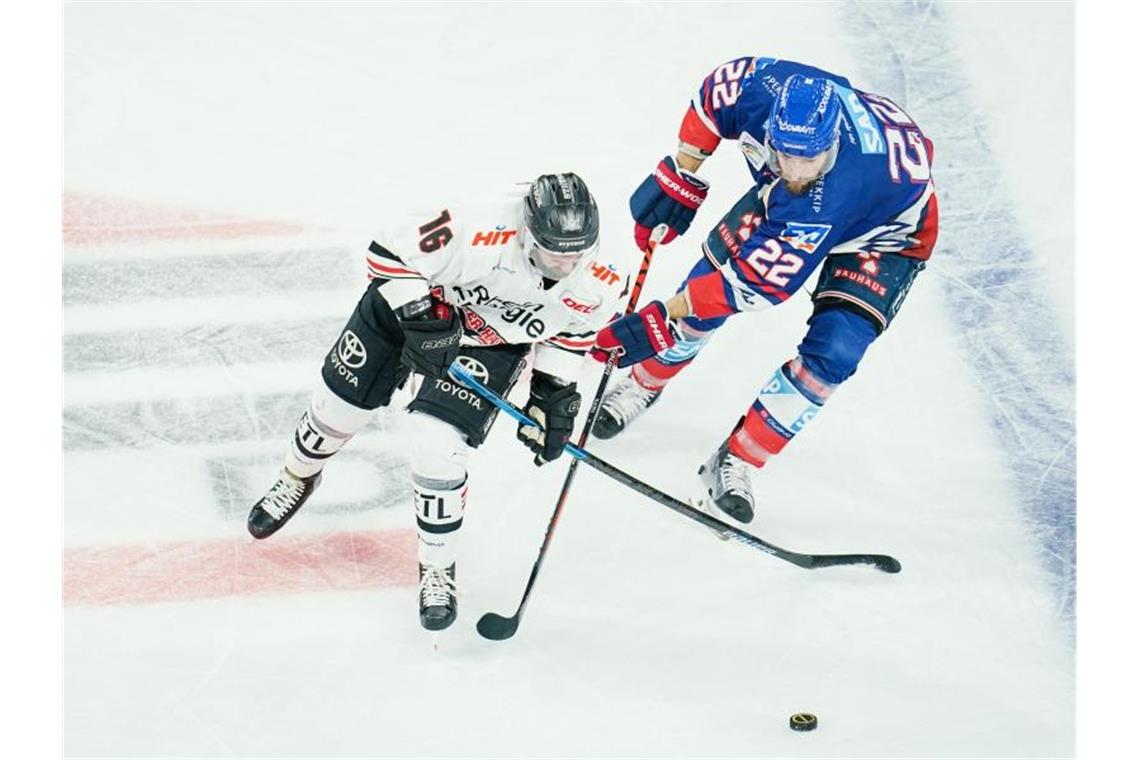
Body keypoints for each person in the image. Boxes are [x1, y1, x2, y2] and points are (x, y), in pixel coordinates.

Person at [246, 173, 628, 631]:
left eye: (576, 255)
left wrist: (552, 391)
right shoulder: (478, 225)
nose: (566, 267)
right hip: (417, 308)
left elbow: (572, 332)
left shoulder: (604, 276)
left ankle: (437, 567)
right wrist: (420, 316)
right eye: (554, 254)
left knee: (436, 445)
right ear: (528, 232)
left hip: (491, 340)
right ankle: (298, 476)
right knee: (336, 409)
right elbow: (387, 251)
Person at [590, 57, 938, 524]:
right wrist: (682, 172)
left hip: (887, 235)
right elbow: (714, 96)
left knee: (834, 354)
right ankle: (642, 384)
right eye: (783, 153)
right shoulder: (761, 88)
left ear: (831, 144)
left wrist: (660, 315)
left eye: (807, 158)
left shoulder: (826, 195)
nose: (793, 169)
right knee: (699, 296)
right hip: (815, 204)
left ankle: (739, 458)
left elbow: (747, 287)